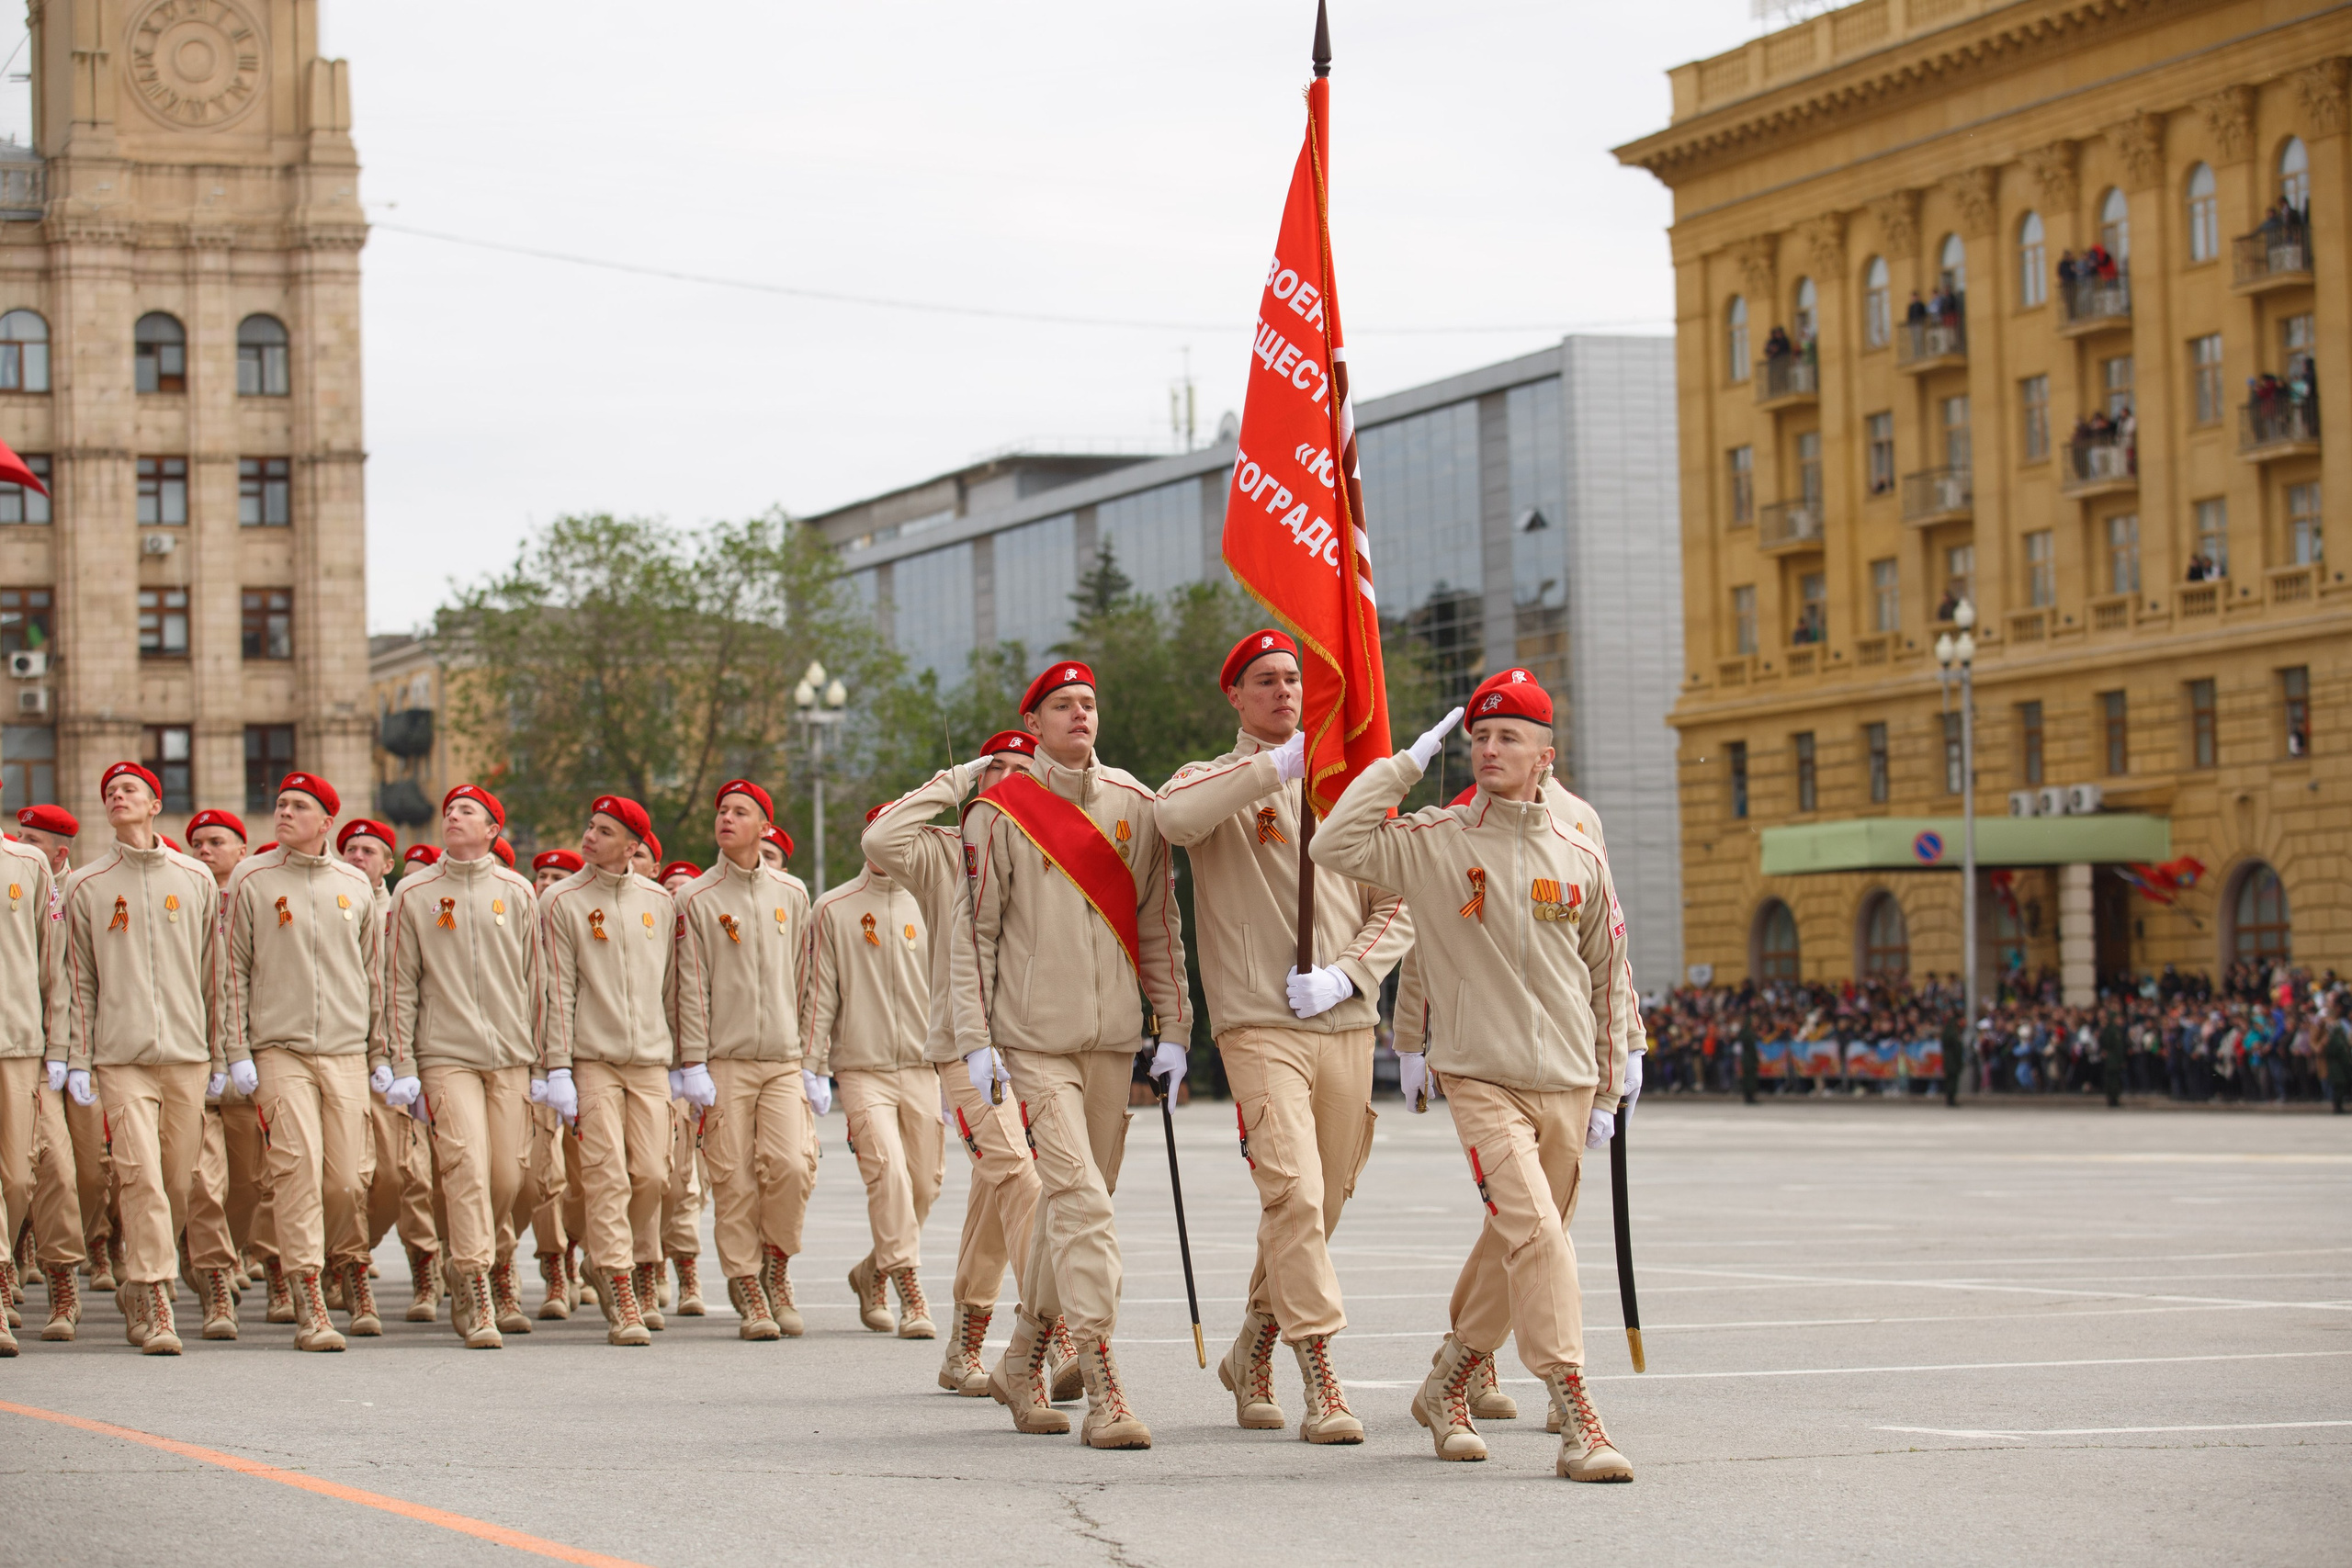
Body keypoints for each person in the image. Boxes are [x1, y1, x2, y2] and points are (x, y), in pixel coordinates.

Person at [1313, 672, 1636, 1483]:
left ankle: (1451, 1379)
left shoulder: (1580, 850)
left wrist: (1609, 1082)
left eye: (1508, 738)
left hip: (1566, 1080)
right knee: (1534, 1230)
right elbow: (1335, 844)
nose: (1488, 750)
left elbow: (1607, 973)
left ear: (1544, 756)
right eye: (1478, 738)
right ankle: (1578, 1410)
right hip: (1482, 1078)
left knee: (1518, 1239)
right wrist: (1402, 766)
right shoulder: (1438, 838)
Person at [1157, 629, 1412, 1443]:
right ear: (1234, 695)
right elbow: (1172, 818)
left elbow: (1399, 901)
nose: (1284, 692)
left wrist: (1348, 971)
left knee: (1322, 1202)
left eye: (1294, 678)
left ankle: (1253, 1344)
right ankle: (1319, 1369)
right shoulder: (1216, 778)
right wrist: (1275, 768)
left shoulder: (1346, 790)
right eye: (1264, 681)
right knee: (1292, 1193)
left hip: (1342, 1017)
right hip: (1259, 1024)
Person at [962, 660, 1191, 1448]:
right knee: (1082, 1203)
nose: (1081, 715)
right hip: (1034, 1041)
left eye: (1089, 702)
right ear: (1035, 724)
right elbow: (976, 935)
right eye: (1063, 705)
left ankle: (1022, 1358)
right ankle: (1102, 1380)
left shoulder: (1136, 804)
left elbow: (1161, 921)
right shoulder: (999, 812)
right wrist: (975, 1037)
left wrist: (1175, 1029)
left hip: (1113, 1044)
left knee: (1076, 1209)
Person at [863, 729, 1068, 1403]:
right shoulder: (944, 852)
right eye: (996, 769)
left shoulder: (1051, 844)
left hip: (1037, 1040)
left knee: (996, 1189)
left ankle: (963, 1350)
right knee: (1019, 1174)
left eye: (1021, 769)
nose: (1007, 779)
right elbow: (881, 839)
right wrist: (957, 777)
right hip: (964, 1045)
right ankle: (1055, 1333)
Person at [54, 762, 222, 1355]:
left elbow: (214, 975)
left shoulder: (195, 877)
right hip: (119, 1059)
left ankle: (144, 1274)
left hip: (187, 1056)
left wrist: (222, 1053)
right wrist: (76, 1058)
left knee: (178, 1180)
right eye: (109, 793)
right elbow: (78, 981)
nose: (117, 797)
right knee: (141, 1177)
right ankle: (153, 1296)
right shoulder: (88, 886)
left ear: (155, 804)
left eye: (129, 790)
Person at [220, 773, 385, 1351]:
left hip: (344, 1053)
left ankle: (341, 1263)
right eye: (281, 804)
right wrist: (238, 1051)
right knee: (297, 1171)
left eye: (299, 806)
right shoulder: (252, 878)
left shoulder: (355, 884)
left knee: (344, 1181)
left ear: (326, 822)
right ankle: (309, 1297)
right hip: (278, 1051)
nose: (284, 813)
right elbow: (232, 970)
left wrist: (380, 1051)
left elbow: (376, 976)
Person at [380, 785, 539, 1348]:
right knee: (466, 1166)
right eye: (449, 811)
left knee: (507, 1177)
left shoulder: (518, 892)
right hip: (445, 1055)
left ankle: (488, 1256)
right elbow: (397, 983)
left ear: (494, 828)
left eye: (467, 811)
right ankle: (475, 1286)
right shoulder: (415, 892)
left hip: (511, 1057)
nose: (452, 816)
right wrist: (403, 1063)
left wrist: (547, 1062)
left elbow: (536, 982)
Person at [670, 780, 816, 1341]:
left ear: (764, 827)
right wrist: (693, 1063)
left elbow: (806, 980)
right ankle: (748, 1285)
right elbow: (690, 985)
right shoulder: (696, 898)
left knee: (792, 1165)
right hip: (722, 1061)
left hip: (781, 1058)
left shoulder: (792, 892)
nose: (726, 819)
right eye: (722, 811)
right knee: (731, 1178)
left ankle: (776, 1263)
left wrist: (809, 1056)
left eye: (741, 812)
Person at [538, 795, 681, 1345]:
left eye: (604, 831)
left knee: (651, 1175)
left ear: (633, 846)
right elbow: (557, 988)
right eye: (589, 826)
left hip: (649, 1061)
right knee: (606, 1174)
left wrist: (683, 1060)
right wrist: (558, 1068)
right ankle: (620, 1285)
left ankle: (609, 1258)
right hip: (591, 1060)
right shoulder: (562, 899)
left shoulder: (658, 902)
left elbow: (674, 986)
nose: (590, 837)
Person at [808, 802, 944, 1341]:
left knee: (925, 1186)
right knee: (886, 1171)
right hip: (860, 1067)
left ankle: (872, 1271)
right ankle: (909, 1285)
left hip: (922, 1065)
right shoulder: (835, 907)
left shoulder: (933, 901)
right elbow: (821, 992)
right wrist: (814, 1067)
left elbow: (952, 986)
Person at [339, 818, 439, 1323]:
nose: (357, 857)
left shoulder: (405, 908)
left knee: (403, 1176)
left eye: (368, 850)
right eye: (350, 850)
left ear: (387, 863)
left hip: (397, 1060)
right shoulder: (331, 903)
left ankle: (424, 1268)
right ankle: (350, 1269)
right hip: (342, 1053)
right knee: (339, 1174)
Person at [0, 797, 66, 1352]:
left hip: (17, 1041)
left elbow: (52, 960)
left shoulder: (27, 864)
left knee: (18, 1178)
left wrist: (57, 1044)